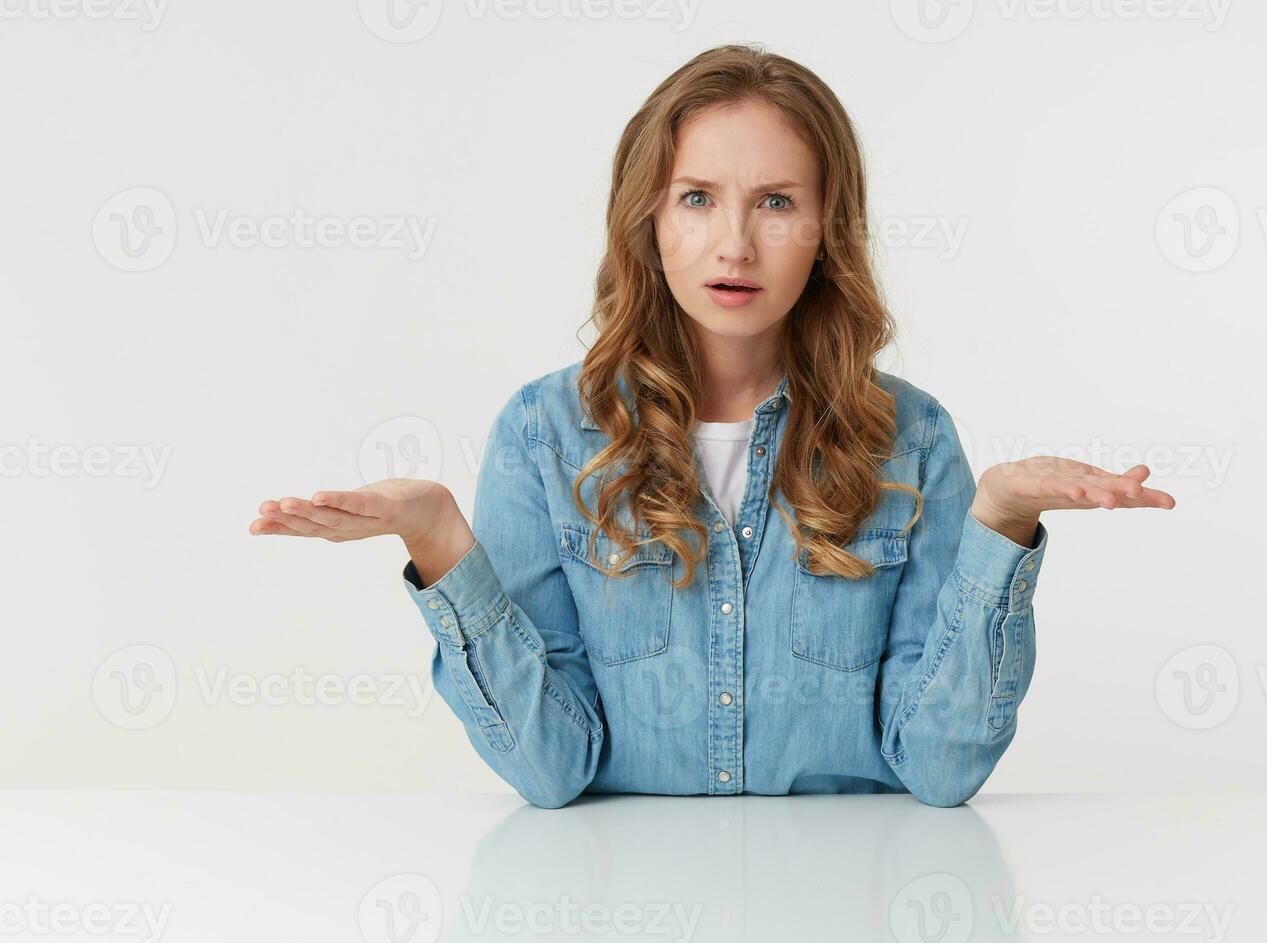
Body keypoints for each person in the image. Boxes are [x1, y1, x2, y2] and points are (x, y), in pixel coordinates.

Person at [248, 44, 1175, 809]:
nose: (735, 244)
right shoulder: (542, 433)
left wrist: (1000, 525)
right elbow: (550, 773)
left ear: (826, 228)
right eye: (697, 197)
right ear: (648, 218)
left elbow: (938, 771)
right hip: (613, 914)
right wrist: (440, 542)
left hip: (852, 911)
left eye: (776, 202)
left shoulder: (914, 438)